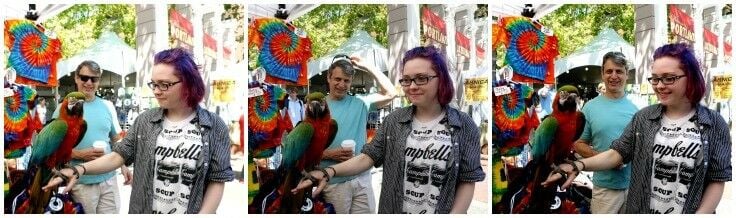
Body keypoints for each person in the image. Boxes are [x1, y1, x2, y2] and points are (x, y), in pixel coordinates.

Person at [543, 43, 732, 214]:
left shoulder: (714, 124)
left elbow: (716, 179)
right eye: (655, 78)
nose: (659, 86)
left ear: (690, 77)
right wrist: (578, 164)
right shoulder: (644, 117)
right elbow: (617, 153)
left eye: (668, 78)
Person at [295, 46, 485, 214]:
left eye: (421, 79)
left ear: (441, 79)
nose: (412, 86)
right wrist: (328, 172)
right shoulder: (394, 121)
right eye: (406, 80)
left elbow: (467, 179)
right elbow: (368, 156)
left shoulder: (464, 125)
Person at [44, 48, 234, 214]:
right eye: (153, 84)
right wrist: (77, 169)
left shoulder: (214, 127)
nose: (157, 91)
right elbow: (118, 155)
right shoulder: (145, 121)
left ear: (188, 84)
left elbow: (217, 180)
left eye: (164, 84)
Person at [315, 54, 397, 214]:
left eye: (346, 80)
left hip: (362, 178)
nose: (341, 84)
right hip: (333, 181)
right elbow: (306, 150)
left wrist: (368, 67)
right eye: (337, 79)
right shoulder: (317, 107)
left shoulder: (361, 103)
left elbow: (391, 93)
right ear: (328, 78)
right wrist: (328, 154)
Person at [48, 60, 131, 214]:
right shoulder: (63, 109)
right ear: (76, 78)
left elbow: (115, 139)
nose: (89, 82)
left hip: (109, 179)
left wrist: (123, 165)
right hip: (80, 182)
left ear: (99, 80)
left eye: (94, 79)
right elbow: (51, 150)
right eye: (84, 78)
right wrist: (78, 154)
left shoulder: (108, 106)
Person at [574, 52, 640, 213]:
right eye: (609, 71)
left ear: (627, 74)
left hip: (636, 187)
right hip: (604, 189)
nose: (614, 76)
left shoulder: (639, 106)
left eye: (619, 71)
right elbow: (578, 144)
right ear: (602, 74)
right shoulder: (590, 108)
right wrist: (606, 159)